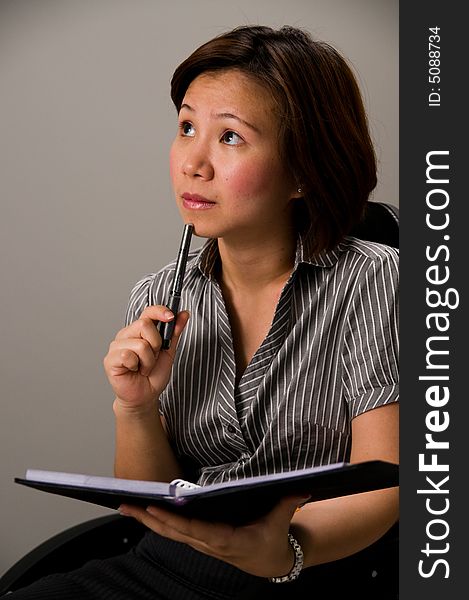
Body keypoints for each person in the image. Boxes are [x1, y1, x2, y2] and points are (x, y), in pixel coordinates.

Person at [5, 24, 398, 599]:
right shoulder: (160, 297)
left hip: (310, 573)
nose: (194, 162)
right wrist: (134, 407)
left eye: (230, 138)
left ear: (302, 171)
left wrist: (283, 551)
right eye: (186, 127)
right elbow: (150, 505)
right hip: (163, 569)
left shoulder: (375, 281)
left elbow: (387, 480)